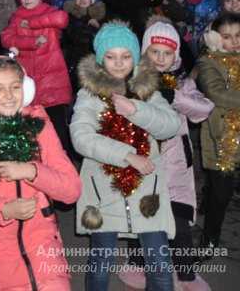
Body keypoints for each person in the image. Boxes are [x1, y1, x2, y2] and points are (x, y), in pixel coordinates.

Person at [0, 57, 81, 291]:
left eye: (15, 86)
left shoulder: (40, 126)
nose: (9, 95)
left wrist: (32, 171)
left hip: (44, 251)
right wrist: (3, 209)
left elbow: (72, 190)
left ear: (27, 88)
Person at [72, 22, 178, 291]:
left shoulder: (148, 90)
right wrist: (126, 155)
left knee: (161, 270)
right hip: (103, 194)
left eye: (125, 56)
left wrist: (136, 109)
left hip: (147, 193)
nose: (119, 63)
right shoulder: (89, 94)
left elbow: (170, 124)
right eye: (111, 56)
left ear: (135, 56)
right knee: (101, 264)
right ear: (100, 59)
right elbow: (81, 136)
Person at [117, 17, 213, 291]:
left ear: (176, 55)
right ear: (144, 52)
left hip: (176, 167)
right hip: (142, 163)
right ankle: (137, 264)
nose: (160, 58)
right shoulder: (132, 80)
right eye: (154, 51)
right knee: (141, 217)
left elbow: (203, 111)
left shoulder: (182, 83)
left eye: (167, 53)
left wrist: (175, 97)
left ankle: (185, 276)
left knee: (179, 225)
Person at [0, 0, 73, 152]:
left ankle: (66, 167)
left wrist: (31, 23)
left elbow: (62, 19)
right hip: (28, 81)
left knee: (57, 128)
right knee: (31, 129)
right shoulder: (17, 16)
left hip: (52, 81)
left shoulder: (49, 12)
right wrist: (30, 43)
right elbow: (6, 38)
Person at [195, 11, 240, 251]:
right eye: (227, 36)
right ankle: (209, 239)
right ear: (215, 38)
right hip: (221, 141)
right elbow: (216, 92)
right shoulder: (210, 62)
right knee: (220, 197)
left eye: (238, 35)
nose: (234, 41)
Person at [61, 0, 105, 91]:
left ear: (91, 0)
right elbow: (71, 37)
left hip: (90, 64)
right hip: (70, 62)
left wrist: (98, 29)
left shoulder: (100, 19)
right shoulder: (68, 17)